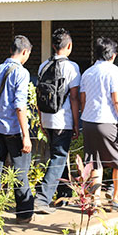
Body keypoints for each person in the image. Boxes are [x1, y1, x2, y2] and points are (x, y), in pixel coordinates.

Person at [0, 35, 34, 224]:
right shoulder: (21, 73)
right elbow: (20, 106)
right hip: (14, 130)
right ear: (24, 52)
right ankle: (24, 214)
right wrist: (26, 136)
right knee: (20, 172)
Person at [80, 37, 118, 212]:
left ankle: (94, 201)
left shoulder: (87, 72)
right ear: (113, 55)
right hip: (107, 121)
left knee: (95, 162)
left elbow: (83, 99)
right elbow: (117, 99)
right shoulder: (113, 70)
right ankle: (117, 198)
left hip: (88, 121)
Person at [34, 29, 81, 215]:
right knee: (59, 158)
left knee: (57, 157)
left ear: (53, 46)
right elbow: (75, 98)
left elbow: (39, 96)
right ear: (68, 46)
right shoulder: (72, 68)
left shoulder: (43, 66)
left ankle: (64, 194)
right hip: (63, 119)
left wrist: (40, 120)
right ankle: (42, 198)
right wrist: (77, 124)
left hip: (47, 118)